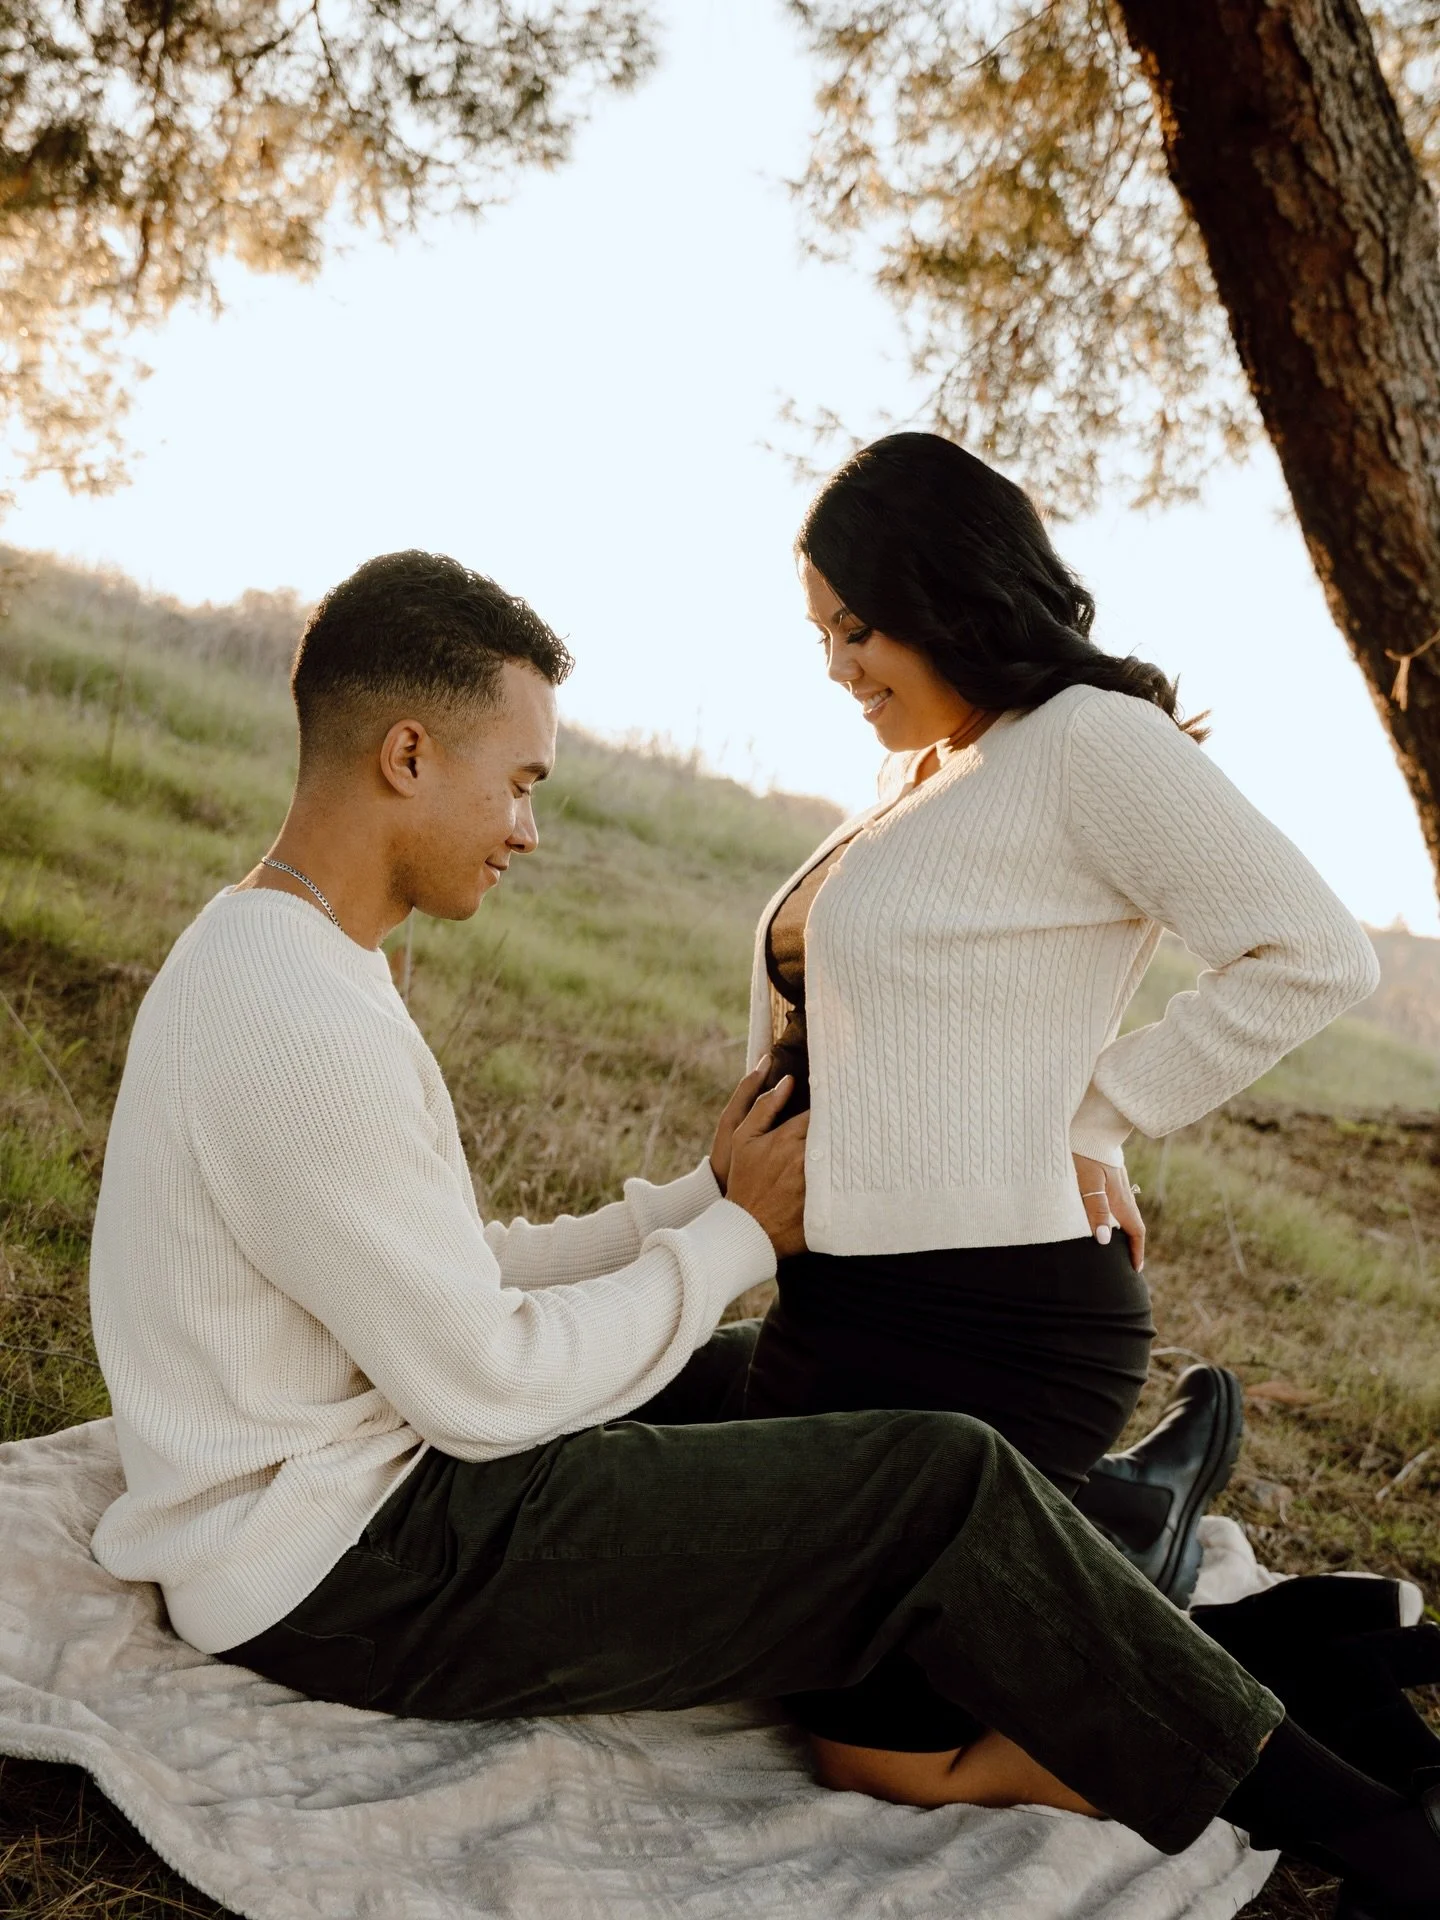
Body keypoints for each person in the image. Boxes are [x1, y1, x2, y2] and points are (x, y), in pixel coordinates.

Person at [87, 550, 1440, 1919]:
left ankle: (1222, 1610)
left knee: (792, 1396)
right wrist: (731, 1244)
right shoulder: (296, 1021)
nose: (529, 829)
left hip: (359, 1493)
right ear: (408, 754)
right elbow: (484, 1383)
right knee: (932, 1485)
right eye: (522, 783)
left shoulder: (292, 953)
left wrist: (695, 1206)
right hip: (352, 1571)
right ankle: (1383, 1836)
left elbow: (454, 1262)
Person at [737, 430, 1394, 1799]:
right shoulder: (935, 774)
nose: (838, 667)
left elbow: (1317, 952)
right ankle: (1141, 1552)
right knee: (777, 1644)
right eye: (820, 635)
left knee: (881, 1756)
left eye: (855, 628)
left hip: (990, 1319)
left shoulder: (1093, 742)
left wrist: (1096, 1115)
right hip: (836, 1303)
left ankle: (1291, 1716)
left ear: (947, 592)